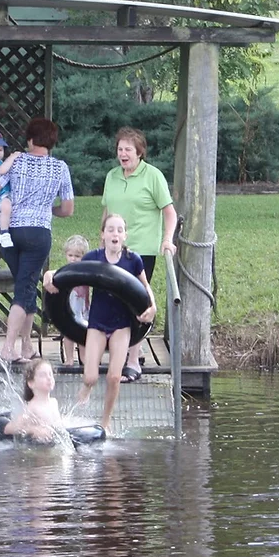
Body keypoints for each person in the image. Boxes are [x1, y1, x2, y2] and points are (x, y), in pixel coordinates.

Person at [45, 214, 155, 438]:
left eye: (119, 230)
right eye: (111, 229)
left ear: (125, 235)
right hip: (96, 323)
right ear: (103, 234)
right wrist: (49, 274)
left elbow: (145, 287)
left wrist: (153, 307)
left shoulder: (133, 260)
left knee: (114, 376)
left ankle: (105, 422)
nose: (115, 234)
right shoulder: (93, 257)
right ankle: (84, 392)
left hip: (121, 324)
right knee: (91, 377)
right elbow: (69, 272)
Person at [0, 117, 74, 364]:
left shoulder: (16, 161)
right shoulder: (60, 168)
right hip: (38, 233)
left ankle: (26, 346)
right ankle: (8, 348)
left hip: (9, 232)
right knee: (24, 289)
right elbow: (68, 209)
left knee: (26, 284)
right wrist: (47, 210)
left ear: (30, 140)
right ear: (52, 142)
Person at [101, 127, 176, 382]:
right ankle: (131, 348)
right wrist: (102, 238)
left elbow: (169, 212)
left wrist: (167, 239)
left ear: (139, 152)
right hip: (112, 248)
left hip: (141, 250)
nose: (123, 154)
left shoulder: (152, 176)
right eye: (120, 149)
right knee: (113, 301)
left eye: (128, 150)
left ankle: (132, 361)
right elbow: (107, 212)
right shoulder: (111, 176)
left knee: (134, 301)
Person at [1, 359, 65, 444]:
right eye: (43, 375)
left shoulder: (54, 402)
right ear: (31, 383)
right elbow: (9, 429)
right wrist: (33, 430)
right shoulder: (32, 407)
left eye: (50, 374)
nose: (49, 378)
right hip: (39, 450)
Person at [55, 234, 90, 366]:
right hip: (70, 308)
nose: (73, 259)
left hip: (82, 308)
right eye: (70, 255)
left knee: (83, 334)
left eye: (77, 256)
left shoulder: (86, 272)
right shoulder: (64, 272)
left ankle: (84, 358)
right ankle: (69, 358)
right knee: (68, 334)